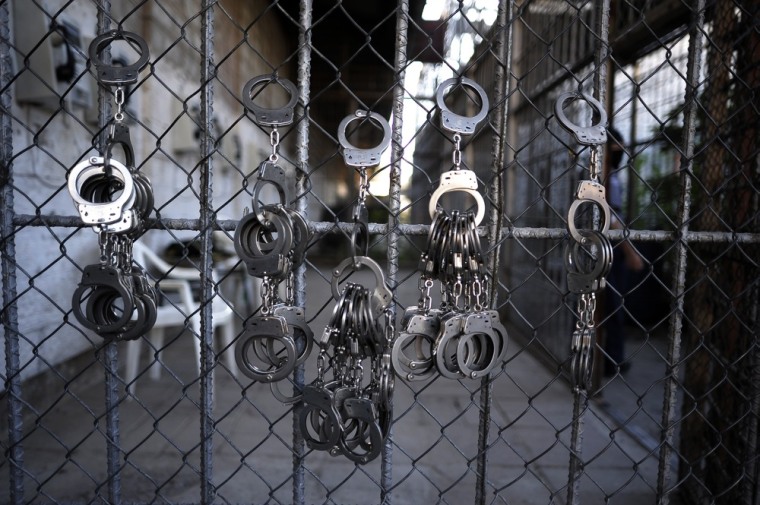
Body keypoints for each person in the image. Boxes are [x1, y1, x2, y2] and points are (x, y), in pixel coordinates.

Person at [602, 128, 644, 376]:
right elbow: (611, 218)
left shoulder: (610, 176)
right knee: (612, 305)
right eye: (616, 146)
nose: (621, 151)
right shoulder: (605, 178)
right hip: (610, 247)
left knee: (609, 304)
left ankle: (608, 358)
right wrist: (631, 251)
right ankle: (611, 360)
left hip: (608, 246)